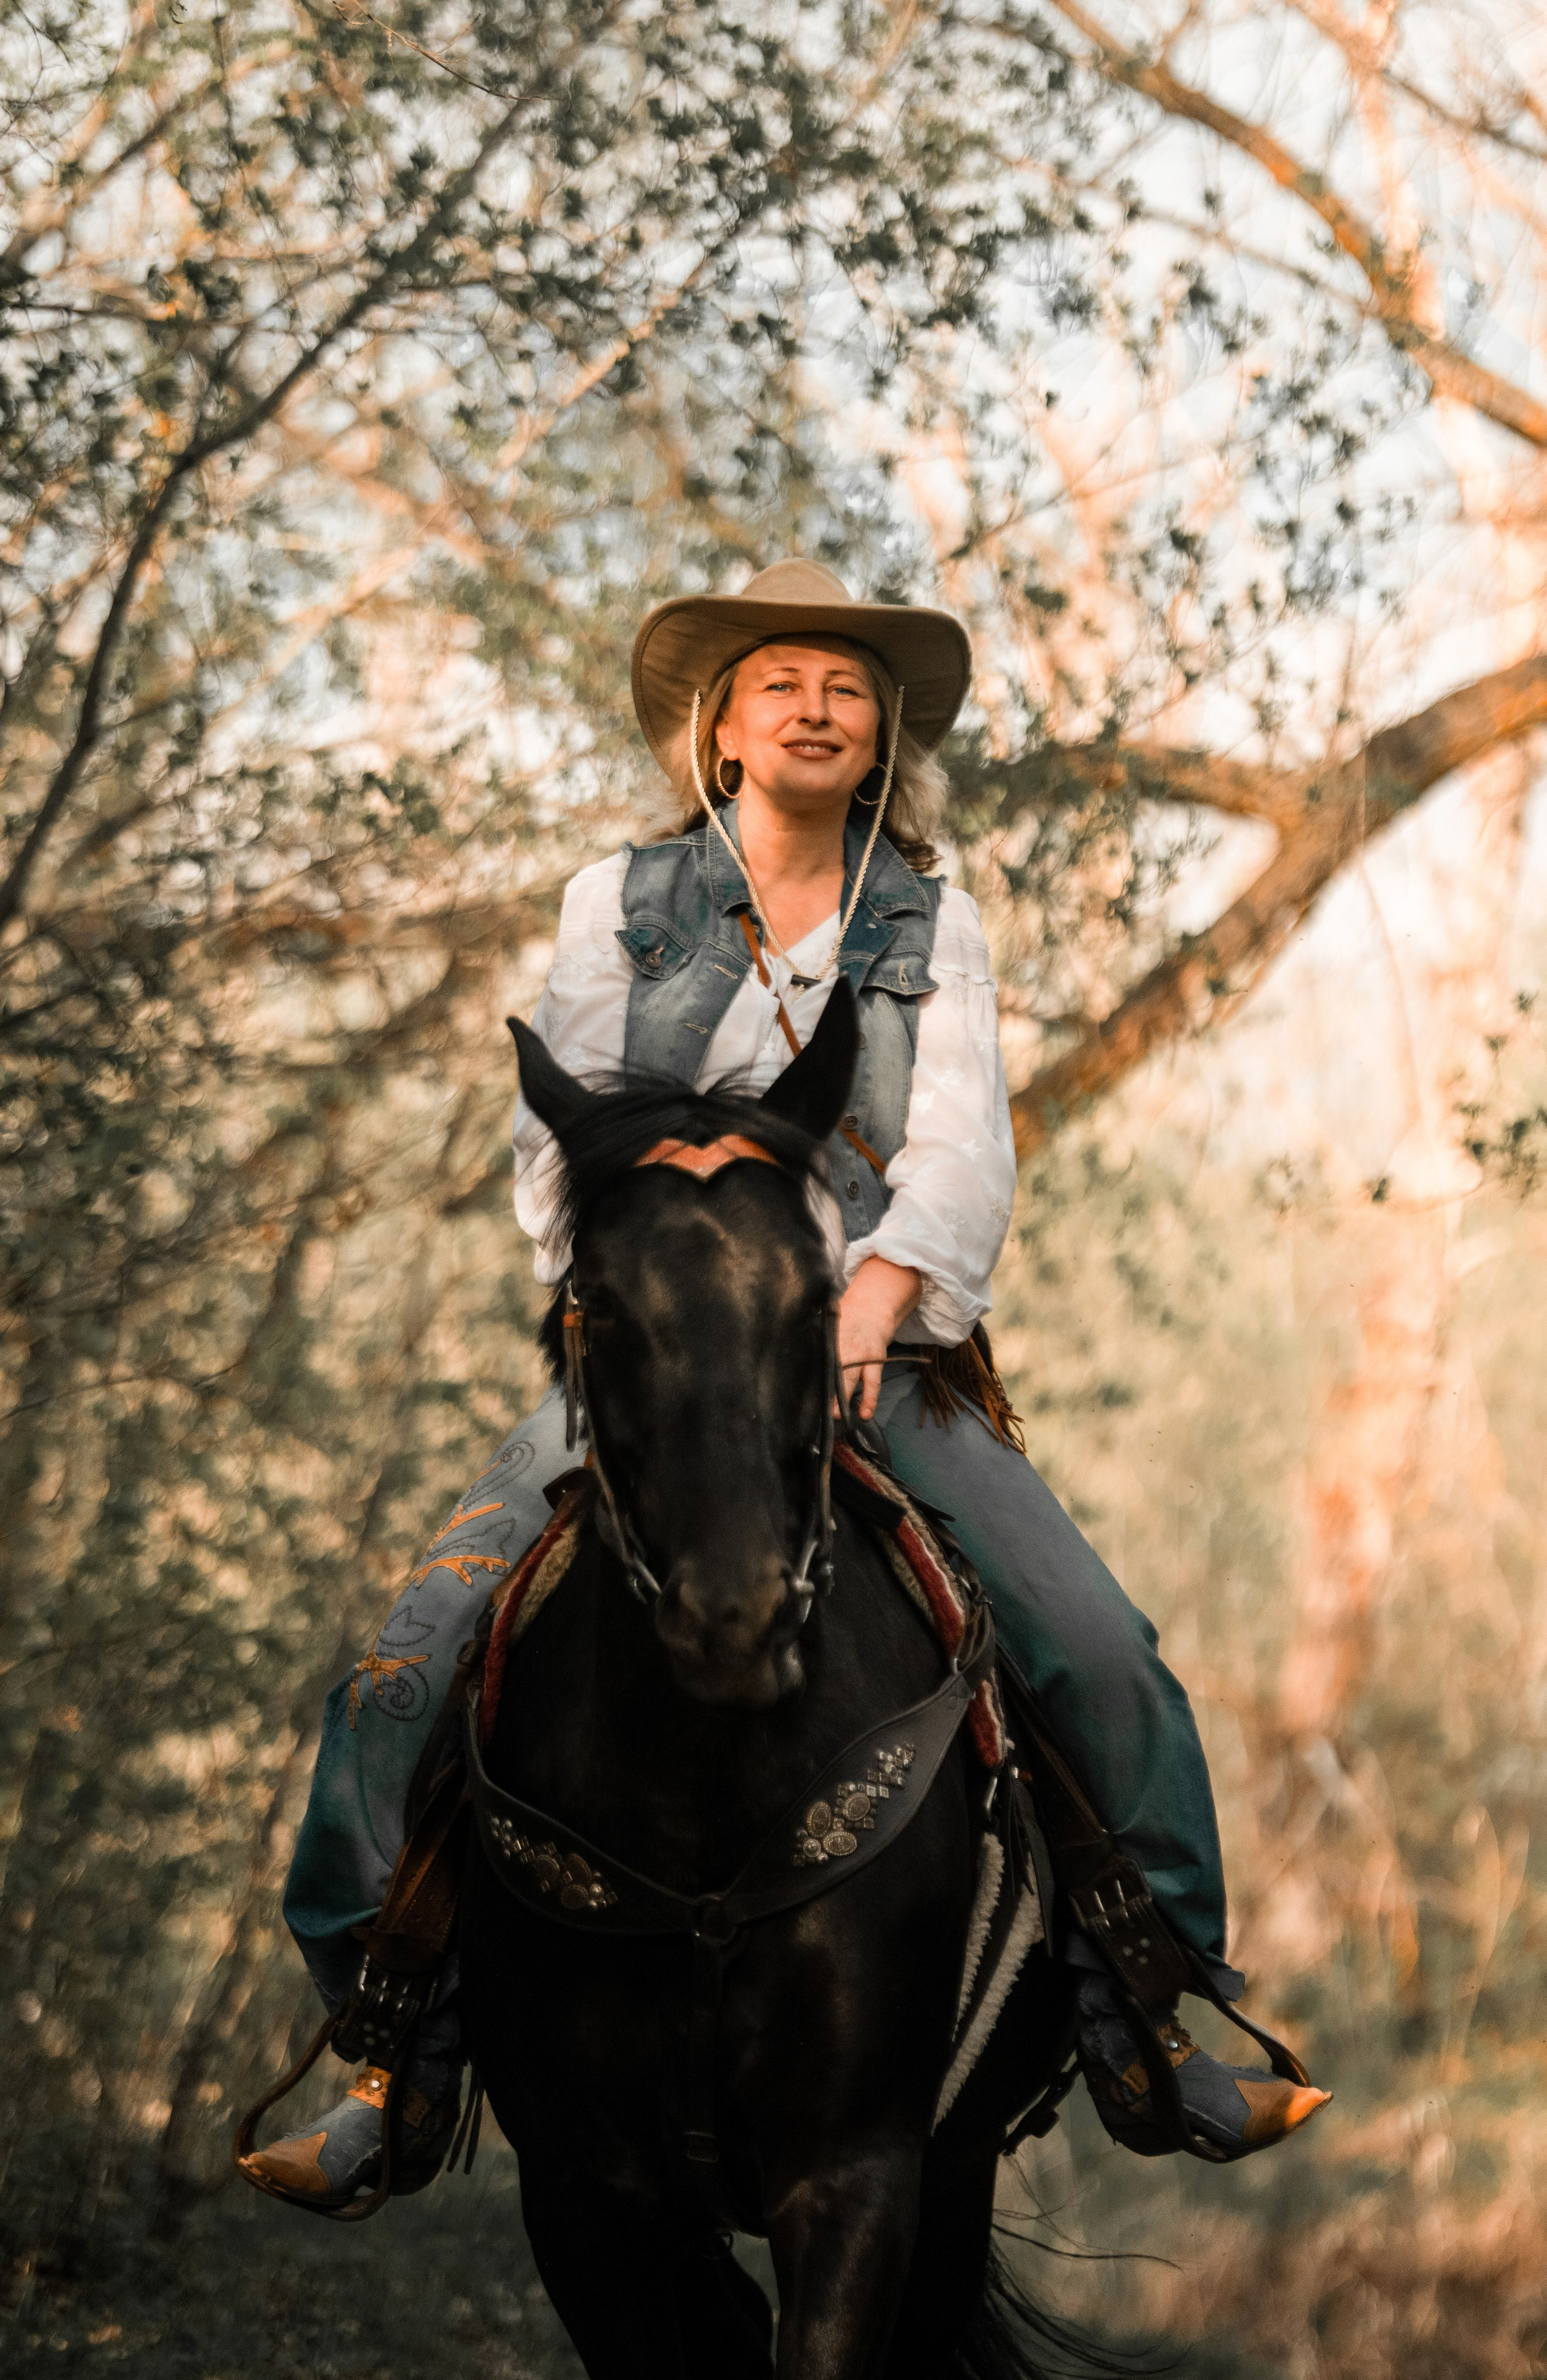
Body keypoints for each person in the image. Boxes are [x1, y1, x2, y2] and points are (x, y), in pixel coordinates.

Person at [246, 560, 1328, 2211]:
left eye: (847, 685)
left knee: (1103, 1656)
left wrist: (877, 1291)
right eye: (783, 683)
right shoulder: (616, 900)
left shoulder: (932, 920)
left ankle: (1151, 2009)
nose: (817, 706)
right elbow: (559, 1128)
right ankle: (393, 2046)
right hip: (665, 1368)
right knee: (402, 1675)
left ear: (880, 733)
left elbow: (965, 1139)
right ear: (723, 731)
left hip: (882, 1361)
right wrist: (649, 1245)